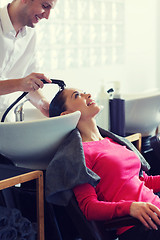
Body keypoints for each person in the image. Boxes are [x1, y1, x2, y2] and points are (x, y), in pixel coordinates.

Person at [49, 87, 160, 240]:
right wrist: (130, 207)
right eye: (77, 96)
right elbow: (89, 207)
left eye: (84, 92)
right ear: (67, 115)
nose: (87, 94)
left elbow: (143, 181)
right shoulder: (78, 155)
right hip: (140, 226)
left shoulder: (113, 141)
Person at [0, 0, 57, 120]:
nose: (47, 16)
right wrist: (19, 84)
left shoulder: (31, 35)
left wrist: (43, 104)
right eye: (45, 6)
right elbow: (23, 83)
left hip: (6, 123)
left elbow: (29, 83)